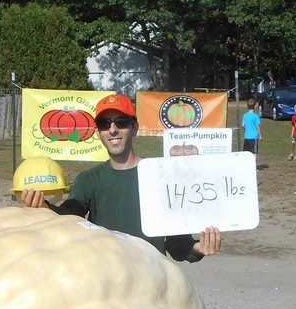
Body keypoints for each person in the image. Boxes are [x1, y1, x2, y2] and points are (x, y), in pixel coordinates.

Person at [20, 93, 221, 262]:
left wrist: (197, 249)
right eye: (105, 124)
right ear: (98, 132)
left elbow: (177, 243)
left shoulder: (159, 176)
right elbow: (70, 217)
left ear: (135, 128)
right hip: (109, 281)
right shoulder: (88, 179)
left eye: (121, 122)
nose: (113, 129)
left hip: (152, 279)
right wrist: (45, 209)